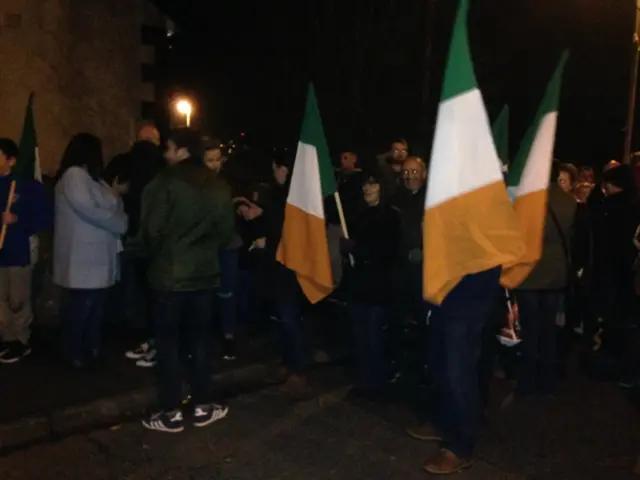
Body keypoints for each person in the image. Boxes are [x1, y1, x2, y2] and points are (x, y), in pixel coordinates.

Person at [129, 128, 234, 433]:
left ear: (182, 150)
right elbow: (226, 234)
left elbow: (149, 230)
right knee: (200, 341)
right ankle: (202, 405)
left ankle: (171, 410)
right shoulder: (217, 184)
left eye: (169, 148)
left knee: (168, 344)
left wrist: (141, 252)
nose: (165, 153)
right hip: (204, 276)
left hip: (168, 278)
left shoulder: (163, 183)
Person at [53, 133, 128, 370]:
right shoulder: (74, 176)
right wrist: (119, 222)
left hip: (94, 258)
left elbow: (112, 203)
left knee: (94, 308)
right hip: (83, 257)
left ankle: (90, 349)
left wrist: (116, 210)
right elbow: (92, 210)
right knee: (81, 309)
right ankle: (74, 352)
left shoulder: (92, 178)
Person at [515, 167, 577, 396]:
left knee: (531, 330)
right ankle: (548, 380)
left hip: (531, 275)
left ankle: (528, 381)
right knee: (549, 330)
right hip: (556, 276)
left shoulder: (530, 200)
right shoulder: (569, 201)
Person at [106, 125, 164, 368]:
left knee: (133, 290)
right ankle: (152, 339)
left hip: (128, 234)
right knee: (155, 292)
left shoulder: (123, 162)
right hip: (155, 239)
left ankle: (140, 336)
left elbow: (109, 187)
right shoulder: (164, 167)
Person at [340, 172, 400, 398]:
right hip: (358, 285)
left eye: (373, 184)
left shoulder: (390, 217)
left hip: (378, 286)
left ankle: (376, 383)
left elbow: (385, 252)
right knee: (359, 334)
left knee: (373, 335)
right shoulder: (357, 215)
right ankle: (362, 379)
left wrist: (354, 248)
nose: (368, 189)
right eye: (365, 184)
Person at [0, 138, 51, 363]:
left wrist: (18, 219)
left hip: (18, 250)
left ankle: (20, 339)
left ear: (11, 160)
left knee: (17, 298)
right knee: (0, 299)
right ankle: (6, 337)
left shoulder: (26, 187)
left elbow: (42, 217)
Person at [204, 137, 242, 360]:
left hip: (227, 245)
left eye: (217, 159)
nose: (215, 164)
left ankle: (228, 336)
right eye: (210, 160)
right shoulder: (195, 183)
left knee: (227, 292)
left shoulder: (229, 182)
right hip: (204, 247)